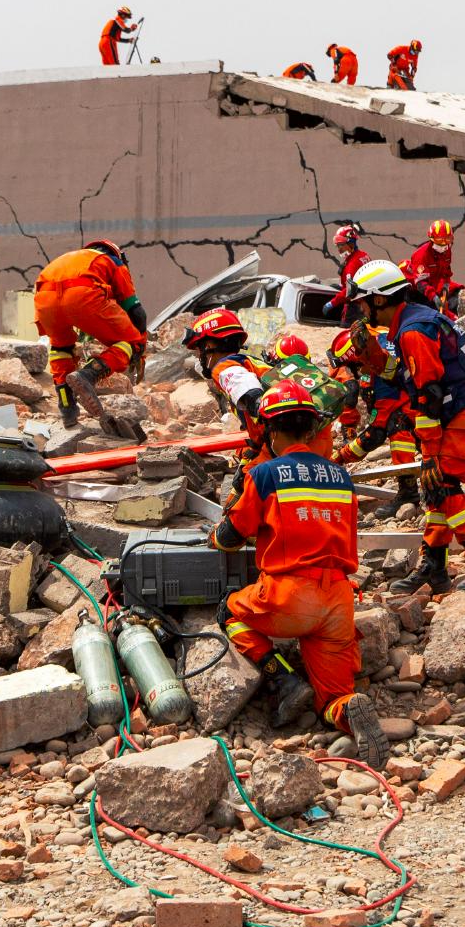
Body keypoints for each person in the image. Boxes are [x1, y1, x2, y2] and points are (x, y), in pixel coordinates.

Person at [210, 379, 389, 766]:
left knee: (229, 611)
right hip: (338, 600)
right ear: (310, 429)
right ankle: (347, 709)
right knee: (331, 698)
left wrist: (218, 533)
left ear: (272, 431)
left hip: (289, 597)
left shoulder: (266, 474)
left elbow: (230, 537)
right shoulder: (341, 478)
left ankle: (283, 678)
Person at [350, 260, 465, 595]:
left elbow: (429, 395)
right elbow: (408, 376)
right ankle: (434, 564)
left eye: (362, 301)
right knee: (434, 486)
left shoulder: (413, 331)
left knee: (444, 484)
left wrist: (431, 454)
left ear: (379, 299)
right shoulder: (411, 323)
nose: (360, 309)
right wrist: (373, 358)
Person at [34, 240, 148, 426]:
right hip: (82, 296)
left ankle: (67, 407)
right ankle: (89, 374)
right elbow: (136, 312)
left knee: (61, 348)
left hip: (45, 301)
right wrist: (140, 347)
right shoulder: (112, 261)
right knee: (131, 341)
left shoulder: (70, 260)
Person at [327, 324, 420, 512]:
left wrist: (341, 456)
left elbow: (376, 433)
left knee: (398, 426)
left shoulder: (382, 374)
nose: (357, 374)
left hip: (421, 408)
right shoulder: (379, 342)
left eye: (355, 369)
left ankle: (408, 493)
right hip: (424, 405)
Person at [183, 307, 274, 468]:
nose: (198, 357)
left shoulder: (224, 368)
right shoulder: (248, 362)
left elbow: (251, 393)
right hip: (303, 436)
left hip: (290, 440)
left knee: (253, 480)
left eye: (198, 350)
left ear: (208, 346)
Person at [321, 224, 371, 327]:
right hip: (367, 304)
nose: (339, 249)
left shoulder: (352, 263)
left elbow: (349, 290)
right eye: (337, 246)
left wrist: (332, 303)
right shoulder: (364, 255)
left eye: (341, 245)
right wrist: (341, 286)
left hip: (354, 309)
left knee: (346, 334)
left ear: (351, 243)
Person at [403, 219, 458, 312]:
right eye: (439, 240)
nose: (443, 244)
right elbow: (420, 283)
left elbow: (446, 273)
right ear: (431, 238)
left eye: (447, 239)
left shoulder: (447, 251)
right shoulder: (421, 255)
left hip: (431, 286)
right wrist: (434, 297)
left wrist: (445, 288)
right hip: (413, 290)